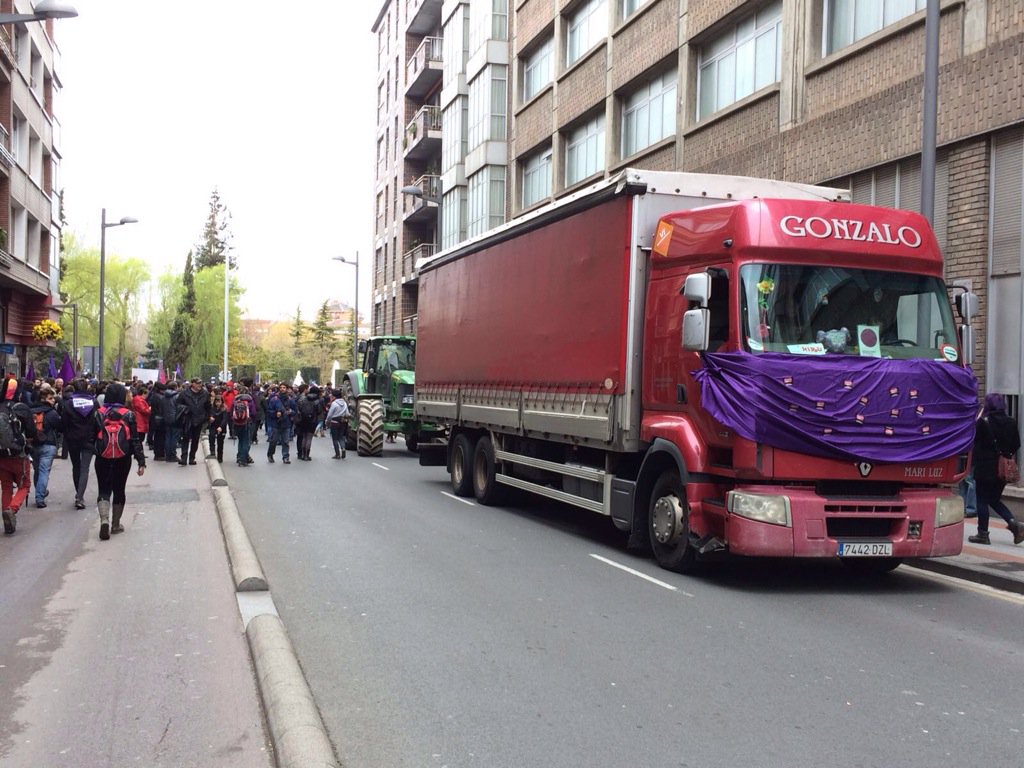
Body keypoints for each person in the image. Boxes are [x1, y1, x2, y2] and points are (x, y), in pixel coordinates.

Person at [92, 382, 146, 540]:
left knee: (104, 489)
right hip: (123, 457)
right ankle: (116, 524)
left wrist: (96, 450)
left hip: (103, 457)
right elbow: (135, 440)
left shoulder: (99, 413)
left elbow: (91, 437)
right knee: (119, 489)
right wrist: (141, 461)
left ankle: (104, 520)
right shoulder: (128, 414)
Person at [969, 392, 1024, 545]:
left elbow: (973, 442)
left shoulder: (983, 422)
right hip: (1003, 469)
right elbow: (1016, 445)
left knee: (981, 500)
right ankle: (1014, 524)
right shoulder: (1011, 422)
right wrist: (1006, 454)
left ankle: (983, 534)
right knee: (993, 499)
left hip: (985, 467)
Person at [1, 377, 38, 534]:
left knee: (6, 486)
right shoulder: (22, 408)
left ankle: (6, 515)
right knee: (24, 485)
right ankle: (12, 509)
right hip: (19, 454)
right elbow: (31, 432)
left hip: (1, 455)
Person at [61, 378, 98, 510]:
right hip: (88, 438)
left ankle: (79, 492)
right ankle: (79, 496)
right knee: (85, 468)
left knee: (76, 466)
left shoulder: (69, 404)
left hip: (73, 439)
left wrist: (67, 434)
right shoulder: (93, 402)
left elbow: (64, 422)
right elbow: (97, 420)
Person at [30, 385, 61, 508]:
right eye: (51, 398)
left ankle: (40, 491)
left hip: (33, 445)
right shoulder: (52, 413)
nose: (53, 400)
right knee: (44, 471)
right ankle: (40, 497)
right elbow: (60, 426)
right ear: (44, 399)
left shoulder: (31, 411)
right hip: (48, 444)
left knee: (37, 470)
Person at [177, 377, 211, 465]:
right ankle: (183, 458)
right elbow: (178, 404)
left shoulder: (205, 394)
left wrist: (206, 417)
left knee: (195, 440)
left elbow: (208, 406)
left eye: (200, 383)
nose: (200, 385)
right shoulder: (184, 393)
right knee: (185, 438)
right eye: (197, 383)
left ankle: (192, 458)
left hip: (199, 419)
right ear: (193, 384)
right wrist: (185, 409)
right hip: (187, 419)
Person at [266, 383, 293, 464]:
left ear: (287, 389)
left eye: (284, 387)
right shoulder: (274, 399)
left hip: (286, 423)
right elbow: (269, 410)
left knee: (285, 441)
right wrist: (275, 413)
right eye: (281, 387)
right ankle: (270, 454)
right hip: (276, 423)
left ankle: (286, 457)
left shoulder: (290, 400)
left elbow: (295, 410)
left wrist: (291, 412)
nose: (282, 389)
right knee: (273, 441)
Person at [295, 385, 321, 461]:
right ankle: (307, 455)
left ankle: (302, 454)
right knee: (309, 438)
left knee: (304, 437)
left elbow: (300, 408)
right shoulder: (317, 401)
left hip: (303, 420)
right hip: (312, 421)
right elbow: (319, 411)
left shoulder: (304, 399)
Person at [233, 385, 256, 467]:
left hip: (237, 423)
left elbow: (230, 412)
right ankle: (243, 459)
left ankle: (239, 457)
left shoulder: (235, 400)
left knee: (240, 440)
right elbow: (253, 413)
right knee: (246, 442)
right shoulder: (249, 400)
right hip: (247, 423)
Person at [324, 389, 350, 459]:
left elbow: (330, 414)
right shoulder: (344, 403)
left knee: (335, 439)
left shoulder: (334, 403)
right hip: (342, 422)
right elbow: (347, 413)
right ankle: (343, 448)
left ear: (334, 396)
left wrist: (327, 421)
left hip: (334, 422)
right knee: (341, 437)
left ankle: (337, 454)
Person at [207, 393, 228, 462]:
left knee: (220, 442)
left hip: (221, 427)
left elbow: (225, 419)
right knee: (211, 437)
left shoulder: (224, 409)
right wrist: (210, 418)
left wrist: (221, 427)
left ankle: (220, 457)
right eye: (216, 402)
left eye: (219, 402)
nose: (217, 403)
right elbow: (209, 415)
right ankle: (212, 452)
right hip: (213, 426)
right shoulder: (212, 408)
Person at [131, 384, 151, 451]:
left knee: (139, 438)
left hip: (139, 420)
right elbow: (144, 410)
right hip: (140, 420)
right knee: (140, 438)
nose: (147, 396)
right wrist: (149, 409)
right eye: (146, 395)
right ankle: (139, 451)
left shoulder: (136, 399)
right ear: (143, 393)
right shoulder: (140, 400)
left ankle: (139, 451)